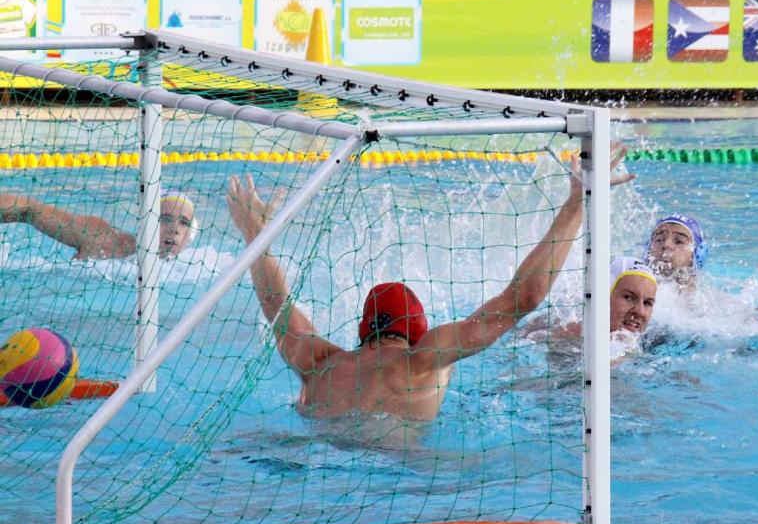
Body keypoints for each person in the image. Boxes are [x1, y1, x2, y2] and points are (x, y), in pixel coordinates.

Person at [227, 153, 608, 421]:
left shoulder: (317, 362)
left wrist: (255, 235)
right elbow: (524, 297)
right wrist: (577, 203)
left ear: (363, 328)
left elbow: (276, 304)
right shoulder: (424, 361)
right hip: (402, 477)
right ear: (420, 330)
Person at [0, 192, 198, 259]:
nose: (175, 229)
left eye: (184, 223)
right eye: (165, 218)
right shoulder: (104, 240)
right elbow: (29, 209)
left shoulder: (200, 268)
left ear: (191, 233)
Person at [644, 214, 707, 292]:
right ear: (648, 249)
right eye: (659, 240)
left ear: (697, 254)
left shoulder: (712, 299)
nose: (666, 245)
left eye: (678, 241)